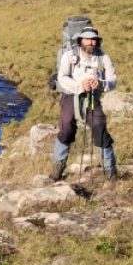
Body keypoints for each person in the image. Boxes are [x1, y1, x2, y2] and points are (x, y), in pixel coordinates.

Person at [50, 26, 118, 181]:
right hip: (70, 95)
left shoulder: (104, 58)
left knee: (99, 128)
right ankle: (57, 170)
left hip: (93, 97)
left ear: (97, 41)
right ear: (80, 41)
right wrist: (80, 86)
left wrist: (100, 84)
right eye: (87, 39)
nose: (90, 43)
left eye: (93, 39)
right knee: (66, 128)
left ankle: (111, 172)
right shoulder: (69, 56)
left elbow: (113, 80)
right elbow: (62, 77)